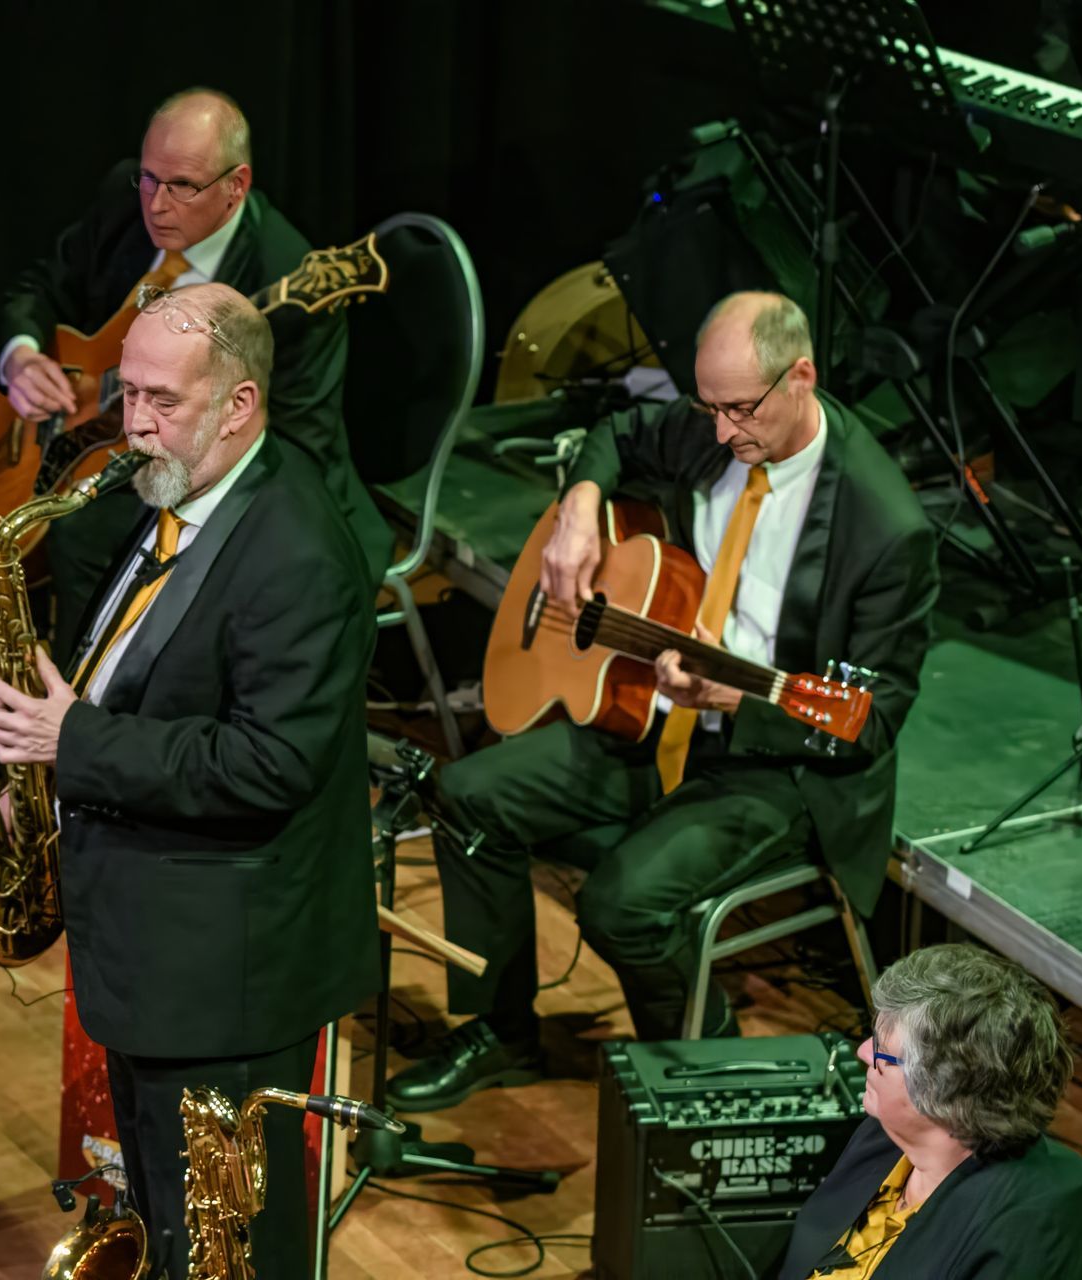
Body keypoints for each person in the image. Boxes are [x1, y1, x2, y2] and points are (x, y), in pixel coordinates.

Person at [389, 292, 939, 1111]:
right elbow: (618, 432)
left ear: (802, 377)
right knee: (468, 795)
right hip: (658, 719)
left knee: (621, 905)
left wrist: (738, 702)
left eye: (739, 409)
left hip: (777, 764)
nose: (719, 432)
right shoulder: (719, 426)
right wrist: (579, 507)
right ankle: (500, 1033)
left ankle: (700, 1089)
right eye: (708, 407)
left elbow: (873, 720)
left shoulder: (884, 528)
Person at [0, 283, 380, 1279]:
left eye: (162, 400)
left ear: (239, 405)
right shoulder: (168, 494)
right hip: (157, 952)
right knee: (173, 1227)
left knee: (232, 1248)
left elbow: (268, 761)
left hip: (228, 981)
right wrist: (43, 768)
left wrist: (72, 742)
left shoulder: (297, 552)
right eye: (128, 394)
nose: (133, 424)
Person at [0, 87, 388, 705]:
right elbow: (41, 285)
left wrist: (168, 424)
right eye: (149, 179)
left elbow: (297, 447)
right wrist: (22, 355)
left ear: (236, 186)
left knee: (83, 533)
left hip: (184, 465)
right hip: (86, 420)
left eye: (182, 186)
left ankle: (82, 720)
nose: (157, 203)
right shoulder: (126, 199)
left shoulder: (288, 279)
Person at [777, 944, 1082, 1279]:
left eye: (882, 1049)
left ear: (944, 1090)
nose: (864, 1052)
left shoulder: (1025, 1232)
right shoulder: (886, 1135)